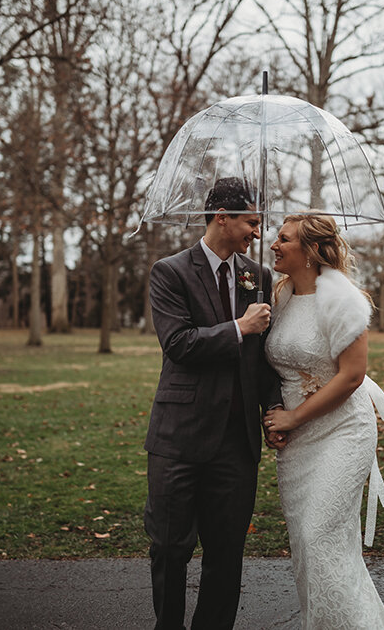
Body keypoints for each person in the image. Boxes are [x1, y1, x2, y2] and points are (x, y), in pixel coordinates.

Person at [143, 177, 284, 630]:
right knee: (170, 546)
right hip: (179, 437)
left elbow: (264, 359)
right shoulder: (170, 272)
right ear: (221, 218)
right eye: (250, 222)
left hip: (236, 441)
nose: (257, 234)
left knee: (227, 553)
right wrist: (240, 327)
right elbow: (179, 344)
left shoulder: (258, 277)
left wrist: (274, 407)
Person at [263, 214, 384, 629]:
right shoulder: (278, 297)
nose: (273, 246)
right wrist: (275, 421)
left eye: (283, 240)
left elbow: (353, 375)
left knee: (321, 537)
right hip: (297, 443)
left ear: (311, 251)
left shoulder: (343, 300)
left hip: (342, 431)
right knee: (307, 546)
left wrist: (295, 416)